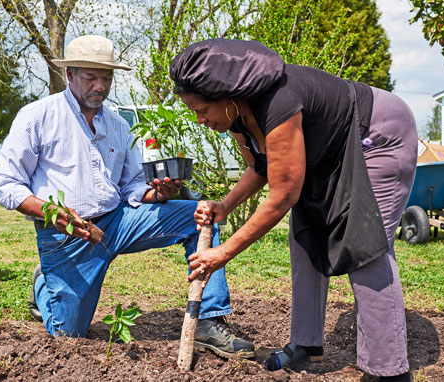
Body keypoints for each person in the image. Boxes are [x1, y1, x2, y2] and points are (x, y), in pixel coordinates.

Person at [0, 35, 254, 358]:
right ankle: (43, 286)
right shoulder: (37, 117)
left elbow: (131, 186)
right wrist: (50, 211)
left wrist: (157, 193)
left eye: (107, 78)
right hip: (68, 237)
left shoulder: (117, 125)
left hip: (118, 222)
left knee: (196, 216)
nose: (100, 86)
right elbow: (6, 184)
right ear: (69, 75)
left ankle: (209, 320)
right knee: (68, 332)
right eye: (91, 77)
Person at [170, 39, 417, 381]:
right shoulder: (236, 115)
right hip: (328, 153)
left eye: (201, 110)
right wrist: (224, 205)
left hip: (376, 134)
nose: (199, 119)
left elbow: (283, 195)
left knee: (367, 247)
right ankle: (306, 343)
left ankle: (390, 370)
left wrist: (223, 252)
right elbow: (260, 168)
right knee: (305, 238)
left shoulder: (278, 102)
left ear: (226, 99)